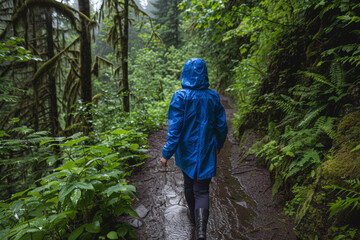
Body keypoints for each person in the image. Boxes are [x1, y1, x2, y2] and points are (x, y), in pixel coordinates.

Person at [160, 58, 228, 240]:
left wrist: (166, 153)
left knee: (189, 184)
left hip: (186, 152)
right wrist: (219, 144)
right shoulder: (213, 96)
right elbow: (222, 125)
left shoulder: (180, 97)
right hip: (206, 150)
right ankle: (201, 233)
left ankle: (193, 215)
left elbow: (175, 129)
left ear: (185, 73)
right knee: (202, 190)